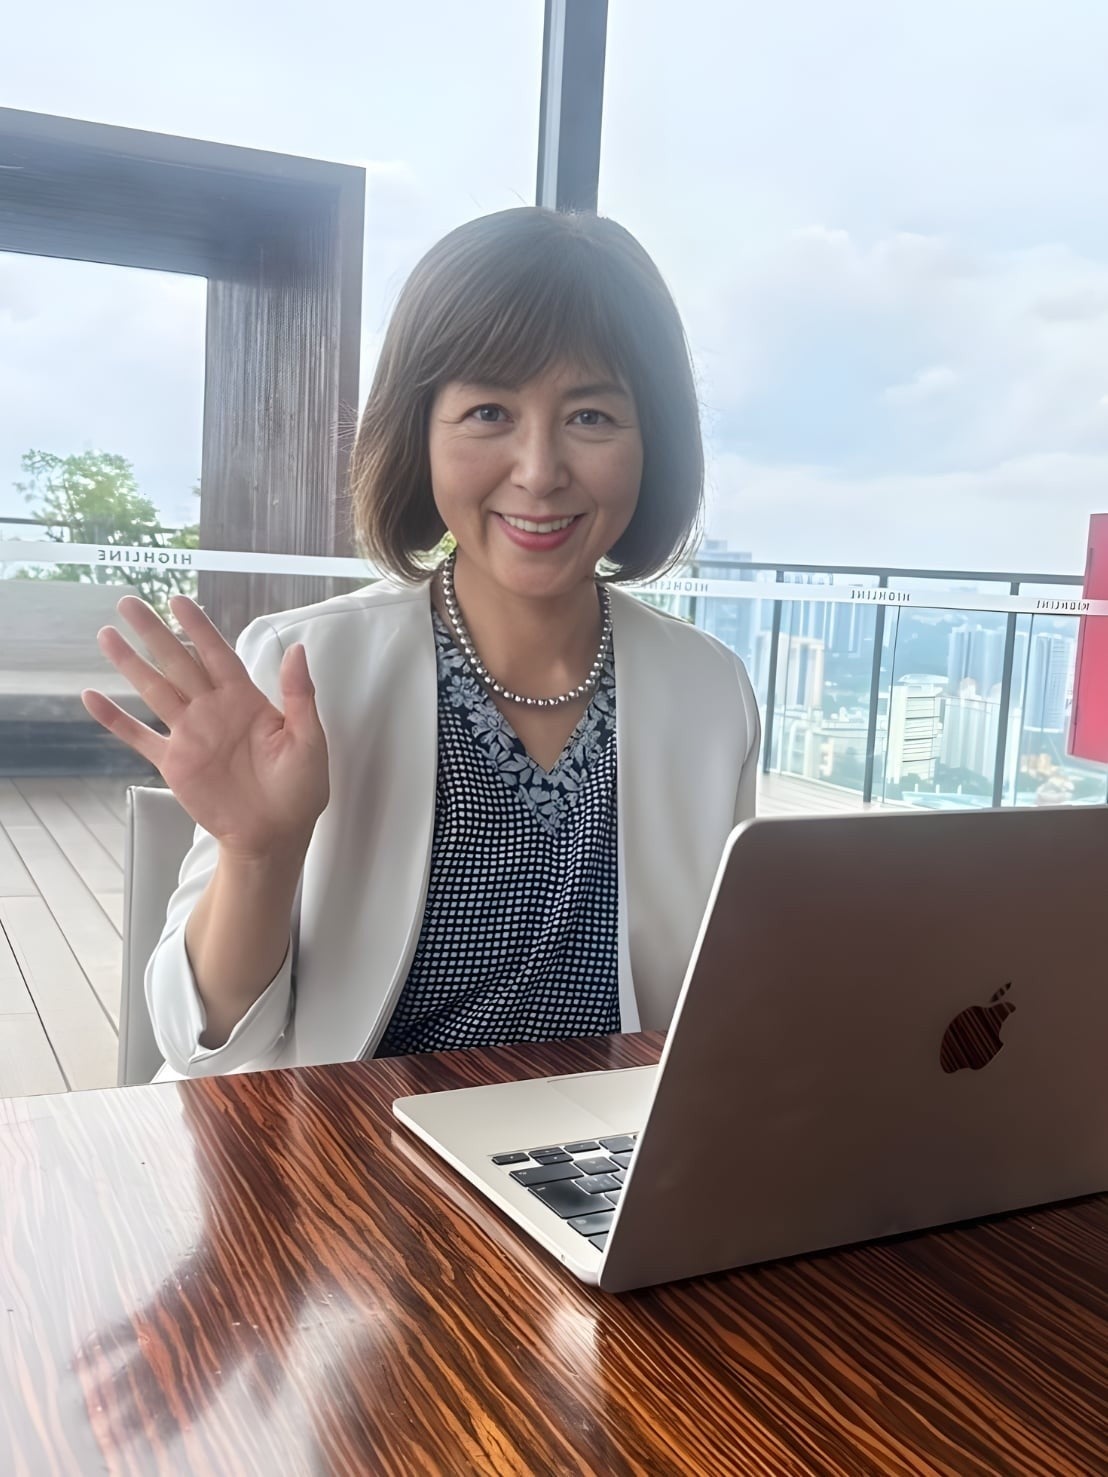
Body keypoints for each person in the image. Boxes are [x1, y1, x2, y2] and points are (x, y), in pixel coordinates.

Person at [82, 208, 760, 1080]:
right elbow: (202, 1043)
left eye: (591, 416)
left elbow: (720, 1004)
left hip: (605, 1149)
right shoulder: (306, 669)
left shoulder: (710, 690)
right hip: (352, 1141)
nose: (539, 470)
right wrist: (260, 853)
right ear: (420, 434)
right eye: (489, 411)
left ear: (652, 441)